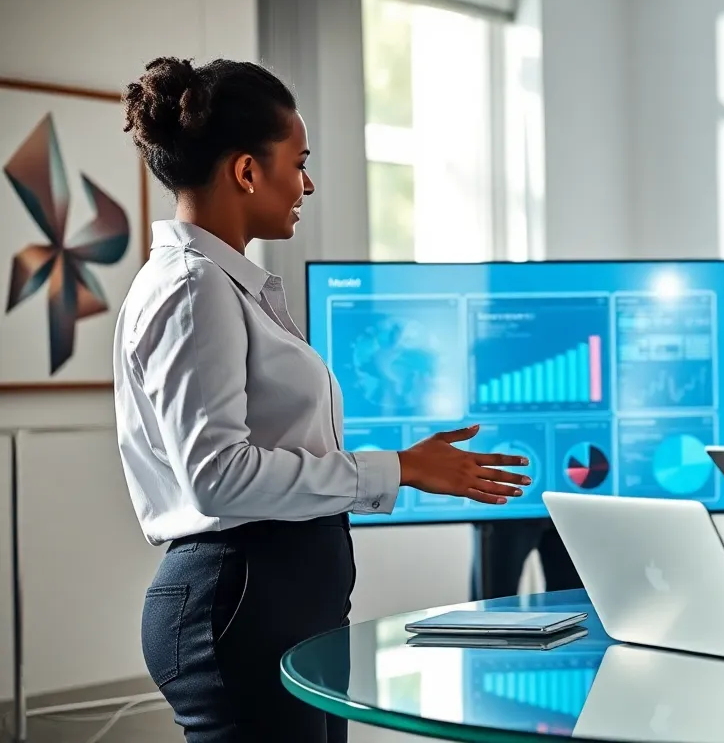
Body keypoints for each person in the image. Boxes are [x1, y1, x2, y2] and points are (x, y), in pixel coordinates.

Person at [114, 57, 529, 742]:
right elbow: (217, 476)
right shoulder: (196, 289)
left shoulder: (223, 286)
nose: (307, 183)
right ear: (247, 171)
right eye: (298, 161)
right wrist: (398, 468)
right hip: (239, 596)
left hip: (271, 597)